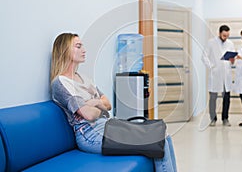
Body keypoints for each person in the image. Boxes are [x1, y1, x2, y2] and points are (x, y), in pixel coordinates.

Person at [50, 33, 177, 172]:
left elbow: (108, 104)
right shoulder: (61, 82)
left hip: (108, 125)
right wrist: (99, 106)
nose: (84, 50)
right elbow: (89, 115)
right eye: (78, 46)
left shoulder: (83, 78)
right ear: (65, 50)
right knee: (158, 142)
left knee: (164, 135)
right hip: (90, 135)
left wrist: (93, 102)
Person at [202, 25, 235, 126]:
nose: (226, 37)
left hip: (226, 75)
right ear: (220, 33)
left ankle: (225, 118)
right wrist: (212, 66)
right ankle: (213, 119)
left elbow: (232, 58)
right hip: (215, 74)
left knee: (226, 98)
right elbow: (204, 56)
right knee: (213, 98)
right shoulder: (211, 42)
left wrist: (232, 61)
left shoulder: (230, 43)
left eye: (227, 35)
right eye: (224, 35)